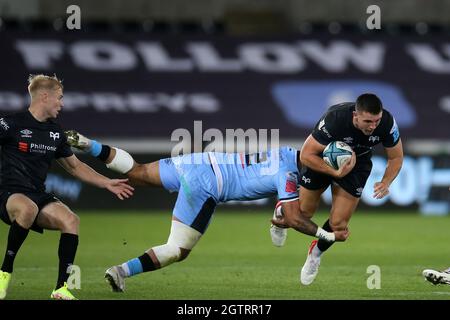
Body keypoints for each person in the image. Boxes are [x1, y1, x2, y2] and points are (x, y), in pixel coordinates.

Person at [64, 129, 349, 292]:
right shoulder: (288, 174)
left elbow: (287, 210)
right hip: (208, 185)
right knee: (177, 250)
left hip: (199, 161)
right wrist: (326, 235)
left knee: (137, 171)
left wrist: (280, 218)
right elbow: (294, 217)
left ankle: (89, 145)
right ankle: (120, 271)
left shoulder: (287, 152)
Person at [0, 75, 134, 300]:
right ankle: (4, 272)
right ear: (45, 96)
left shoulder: (55, 133)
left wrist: (106, 182)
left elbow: (75, 167)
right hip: (8, 192)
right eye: (59, 98)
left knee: (71, 220)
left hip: (37, 194)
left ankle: (61, 289)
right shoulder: (10, 124)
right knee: (27, 208)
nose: (62, 104)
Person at [271, 93, 403, 285]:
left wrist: (386, 181)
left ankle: (315, 255)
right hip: (323, 158)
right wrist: (335, 172)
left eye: (376, 120)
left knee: (339, 224)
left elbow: (396, 157)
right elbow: (306, 155)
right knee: (303, 213)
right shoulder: (335, 119)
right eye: (368, 121)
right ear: (355, 116)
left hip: (357, 163)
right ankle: (280, 214)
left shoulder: (387, 123)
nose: (373, 126)